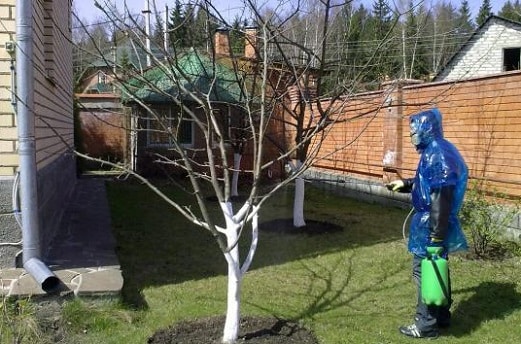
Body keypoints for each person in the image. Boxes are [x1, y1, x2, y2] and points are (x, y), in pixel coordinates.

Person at [387, 108, 468, 339]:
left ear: (426, 129)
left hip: (432, 225)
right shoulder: (439, 150)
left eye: (415, 131)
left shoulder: (438, 153)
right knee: (437, 268)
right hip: (435, 223)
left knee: (425, 271)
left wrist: (435, 236)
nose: (413, 135)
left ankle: (425, 324)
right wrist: (406, 184)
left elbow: (441, 195)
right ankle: (441, 317)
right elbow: (429, 184)